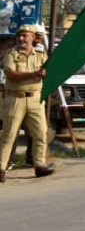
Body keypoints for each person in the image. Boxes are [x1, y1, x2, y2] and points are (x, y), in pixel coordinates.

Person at [0, 25, 54, 181]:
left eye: (25, 35)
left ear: (33, 37)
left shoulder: (41, 54)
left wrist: (46, 73)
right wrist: (34, 74)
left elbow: (49, 71)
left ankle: (39, 165)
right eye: (19, 36)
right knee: (8, 135)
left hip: (35, 99)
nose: (21, 39)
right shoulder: (11, 54)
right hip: (15, 98)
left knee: (41, 133)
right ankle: (1, 168)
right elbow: (11, 75)